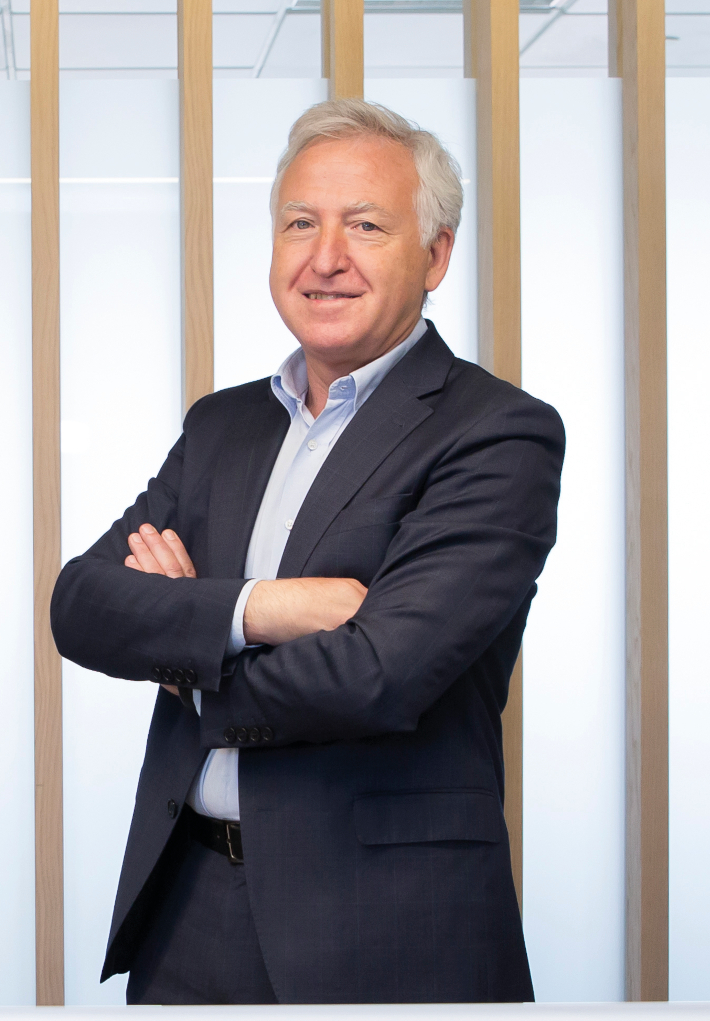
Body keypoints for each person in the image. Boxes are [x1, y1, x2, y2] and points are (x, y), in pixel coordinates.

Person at [51, 98, 564, 1005]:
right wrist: (264, 608)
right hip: (188, 912)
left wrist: (183, 648)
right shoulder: (223, 426)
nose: (325, 257)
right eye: (300, 223)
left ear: (436, 255)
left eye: (365, 225)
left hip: (385, 927)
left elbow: (379, 673)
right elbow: (82, 603)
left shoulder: (496, 433)